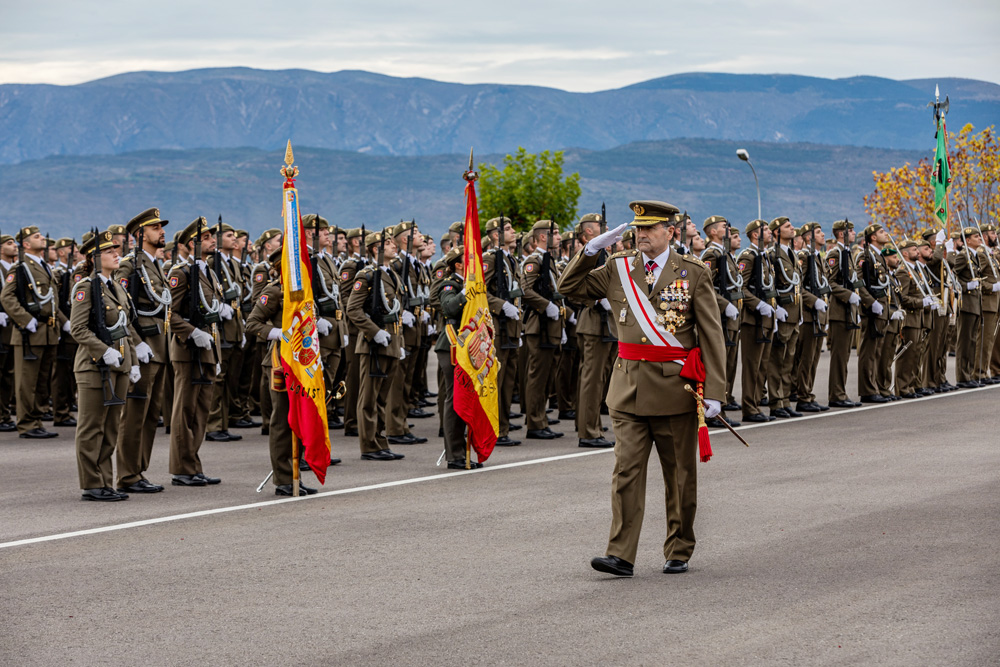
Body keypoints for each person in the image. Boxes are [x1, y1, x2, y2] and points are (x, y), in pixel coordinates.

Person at [559, 200, 726, 577]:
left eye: (650, 229)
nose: (642, 235)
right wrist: (590, 251)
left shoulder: (693, 272)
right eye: (638, 229)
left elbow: (712, 335)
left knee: (680, 477)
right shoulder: (618, 267)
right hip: (628, 388)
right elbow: (568, 287)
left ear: (671, 231)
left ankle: (679, 547)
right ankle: (620, 553)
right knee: (626, 474)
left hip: (675, 390)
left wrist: (715, 391)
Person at [71, 230, 140, 501]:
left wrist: (131, 362)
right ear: (93, 258)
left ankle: (105, 482)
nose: (116, 253)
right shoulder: (85, 287)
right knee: (91, 427)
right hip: (93, 367)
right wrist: (104, 352)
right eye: (109, 251)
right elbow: (78, 329)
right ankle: (91, 483)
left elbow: (125, 329)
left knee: (111, 428)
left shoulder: (117, 287)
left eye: (116, 249)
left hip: (119, 365)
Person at [113, 208, 170, 494]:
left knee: (150, 416)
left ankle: (139, 470)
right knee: (135, 414)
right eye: (155, 227)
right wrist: (136, 344)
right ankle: (127, 475)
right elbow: (123, 311)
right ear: (140, 234)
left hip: (160, 348)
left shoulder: (154, 264)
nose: (161, 231)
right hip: (144, 348)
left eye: (161, 227)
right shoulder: (129, 265)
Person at [167, 217, 224, 486]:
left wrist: (217, 355)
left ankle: (193, 464)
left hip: (207, 350)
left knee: (201, 411)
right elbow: (170, 314)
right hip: (188, 349)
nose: (214, 240)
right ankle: (182, 468)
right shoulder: (180, 272)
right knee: (185, 411)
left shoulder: (208, 271)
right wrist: (192, 332)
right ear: (192, 243)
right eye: (208, 237)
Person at [0, 226, 66, 438]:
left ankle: (37, 420)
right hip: (30, 332)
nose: (42, 239)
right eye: (36, 237)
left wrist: (64, 323)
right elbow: (6, 297)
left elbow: (52, 300)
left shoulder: (44, 266)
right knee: (26, 381)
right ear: (26, 244)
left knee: (41, 380)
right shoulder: (20, 267)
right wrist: (25, 319)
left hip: (48, 331)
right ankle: (27, 424)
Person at [346, 230, 406, 461]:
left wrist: (397, 341)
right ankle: (369, 446)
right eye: (388, 243)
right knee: (369, 398)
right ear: (375, 249)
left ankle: (381, 442)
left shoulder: (391, 274)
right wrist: (374, 332)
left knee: (382, 397)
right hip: (374, 343)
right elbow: (353, 309)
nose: (394, 246)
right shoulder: (367, 275)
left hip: (390, 340)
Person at [571, 213, 617, 447]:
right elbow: (574, 286)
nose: (605, 227)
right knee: (592, 379)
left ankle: (591, 425)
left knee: (599, 379)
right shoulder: (587, 255)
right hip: (593, 323)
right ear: (588, 232)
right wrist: (598, 301)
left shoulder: (603, 253)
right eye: (600, 226)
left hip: (606, 324)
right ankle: (588, 432)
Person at [521, 219, 566, 440]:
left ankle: (541, 419)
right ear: (541, 237)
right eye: (555, 233)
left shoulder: (549, 261)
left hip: (552, 327)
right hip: (539, 327)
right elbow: (526, 291)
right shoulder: (534, 261)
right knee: (537, 377)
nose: (559, 236)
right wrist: (546, 305)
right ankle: (534, 423)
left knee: (548, 377)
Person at [482, 216, 524, 447]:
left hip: (513, 326)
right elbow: (479, 292)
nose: (514, 232)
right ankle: (493, 428)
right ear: (496, 235)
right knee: (496, 380)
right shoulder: (490, 259)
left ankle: (503, 428)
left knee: (508, 381)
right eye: (508, 229)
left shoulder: (510, 260)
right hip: (498, 327)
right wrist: (500, 305)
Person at [700, 216, 742, 423]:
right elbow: (705, 286)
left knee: (730, 364)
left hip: (731, 317)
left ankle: (722, 408)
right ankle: (716, 412)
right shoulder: (711, 254)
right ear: (713, 232)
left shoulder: (724, 253)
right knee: (721, 365)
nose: (729, 229)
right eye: (724, 227)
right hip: (721, 316)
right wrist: (725, 306)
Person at [737, 219, 776, 423]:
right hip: (753, 319)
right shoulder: (748, 256)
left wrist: (774, 312)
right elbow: (740, 286)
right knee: (752, 366)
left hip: (767, 318)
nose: (770, 232)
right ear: (754, 234)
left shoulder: (765, 256)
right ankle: (749, 408)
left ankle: (756, 404)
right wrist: (757, 304)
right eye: (765, 230)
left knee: (762, 366)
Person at [825, 220, 863, 408]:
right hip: (839, 311)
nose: (854, 233)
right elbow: (830, 283)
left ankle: (841, 392)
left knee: (845, 355)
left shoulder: (846, 254)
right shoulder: (835, 254)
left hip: (849, 312)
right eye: (851, 231)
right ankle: (836, 394)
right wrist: (848, 295)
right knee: (839, 356)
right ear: (841, 234)